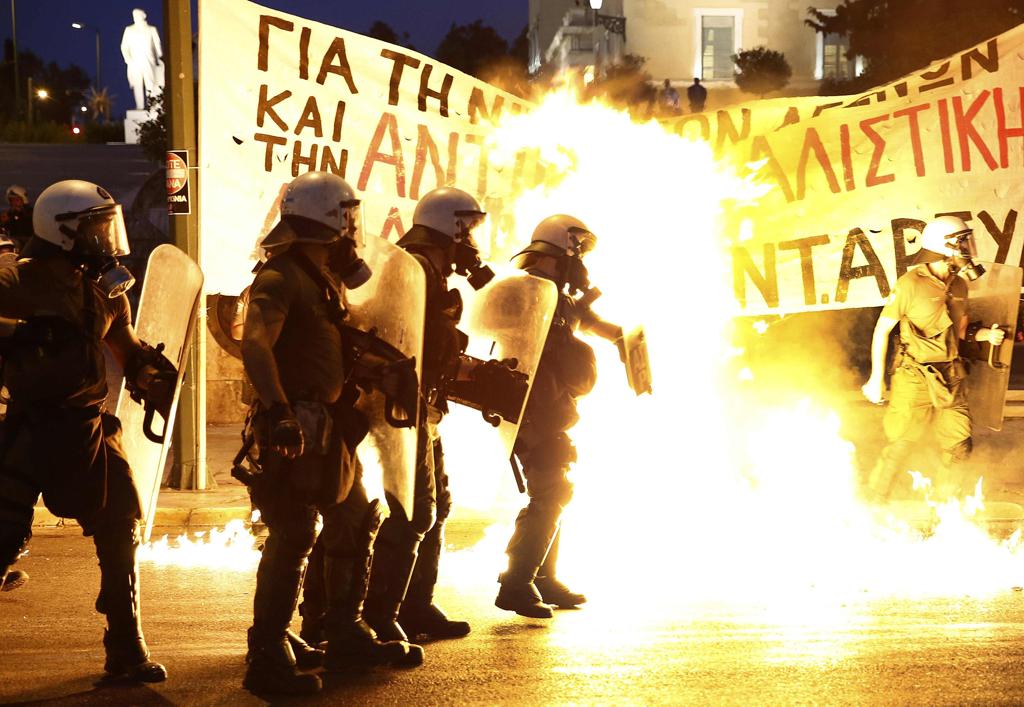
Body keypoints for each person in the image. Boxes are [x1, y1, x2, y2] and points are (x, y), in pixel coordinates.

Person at [241, 171, 421, 695]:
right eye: (346, 217)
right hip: (295, 426)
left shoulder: (321, 280)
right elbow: (255, 344)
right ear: (327, 221)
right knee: (295, 533)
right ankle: (266, 654)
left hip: (326, 426)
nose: (352, 229)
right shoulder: (280, 277)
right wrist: (279, 413)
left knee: (354, 519)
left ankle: (344, 631)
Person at [0, 179, 174, 681]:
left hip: (90, 427)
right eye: (97, 226)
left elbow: (125, 343)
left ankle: (125, 648)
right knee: (3, 535)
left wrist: (147, 370)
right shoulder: (22, 280)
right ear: (64, 231)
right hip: (31, 427)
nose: (107, 235)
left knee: (122, 525)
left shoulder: (104, 287)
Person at [360, 187, 496, 645]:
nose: (472, 241)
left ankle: (414, 606)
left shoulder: (428, 270)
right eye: (468, 228)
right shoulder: (415, 269)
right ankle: (380, 613)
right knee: (413, 512)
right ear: (450, 227)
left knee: (434, 510)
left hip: (421, 407)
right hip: (398, 406)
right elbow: (407, 339)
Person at [495, 215, 600, 618]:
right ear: (565, 250)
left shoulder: (556, 297)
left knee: (555, 489)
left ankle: (542, 577)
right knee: (553, 491)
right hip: (528, 409)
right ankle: (516, 582)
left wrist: (628, 340)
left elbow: (591, 325)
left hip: (548, 410)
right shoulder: (522, 293)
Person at [861, 215, 1004, 501]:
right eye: (961, 242)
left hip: (950, 375)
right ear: (943, 246)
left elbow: (961, 333)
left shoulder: (960, 286)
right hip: (913, 376)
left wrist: (987, 334)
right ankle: (874, 502)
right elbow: (882, 331)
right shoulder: (910, 284)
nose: (967, 247)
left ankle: (946, 507)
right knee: (901, 443)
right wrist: (876, 379)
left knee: (959, 444)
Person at [1, 185, 33, 251]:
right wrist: (4, 222)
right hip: (13, 241)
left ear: (23, 199)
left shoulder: (32, 213)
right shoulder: (9, 214)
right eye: (11, 200)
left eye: (17, 200)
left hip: (29, 241)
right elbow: (8, 230)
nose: (14, 202)